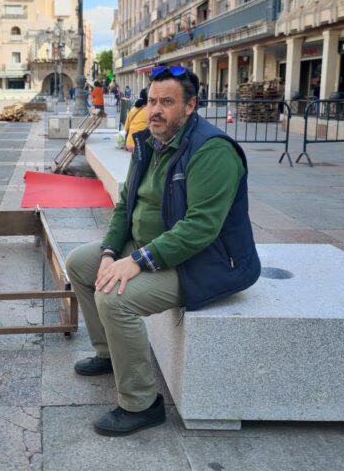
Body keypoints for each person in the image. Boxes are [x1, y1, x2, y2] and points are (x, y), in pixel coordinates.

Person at [65, 65, 260, 437]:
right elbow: (125, 206)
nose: (155, 109)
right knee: (81, 264)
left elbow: (201, 227)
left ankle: (142, 403)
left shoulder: (212, 150)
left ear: (190, 106)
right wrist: (109, 252)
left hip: (205, 261)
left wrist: (138, 261)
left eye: (167, 102)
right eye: (152, 100)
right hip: (151, 246)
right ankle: (110, 353)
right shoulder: (149, 141)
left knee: (114, 298)